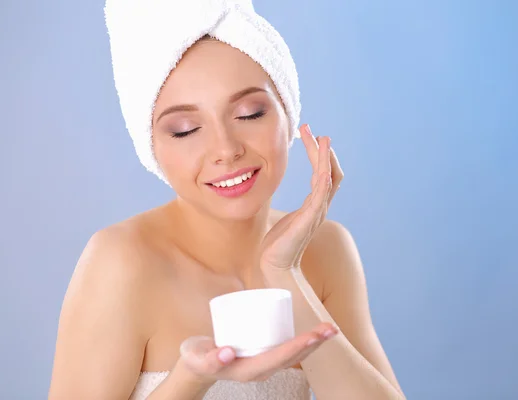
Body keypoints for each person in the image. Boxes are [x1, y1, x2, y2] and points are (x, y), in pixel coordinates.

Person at [48, 1, 405, 399]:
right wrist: (190, 379)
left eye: (250, 113)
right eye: (185, 130)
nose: (225, 149)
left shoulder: (327, 251)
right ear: (151, 147)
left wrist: (285, 273)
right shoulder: (121, 262)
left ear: (288, 112)